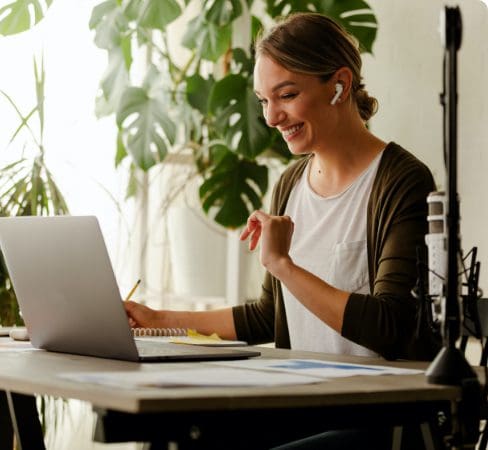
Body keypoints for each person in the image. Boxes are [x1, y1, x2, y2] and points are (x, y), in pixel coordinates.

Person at [125, 12, 441, 449]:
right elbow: (266, 314)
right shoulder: (292, 184)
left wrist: (283, 264)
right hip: (300, 405)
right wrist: (158, 319)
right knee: (184, 437)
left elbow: (389, 325)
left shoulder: (401, 181)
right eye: (262, 100)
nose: (271, 117)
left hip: (375, 418)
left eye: (286, 95)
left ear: (340, 85)